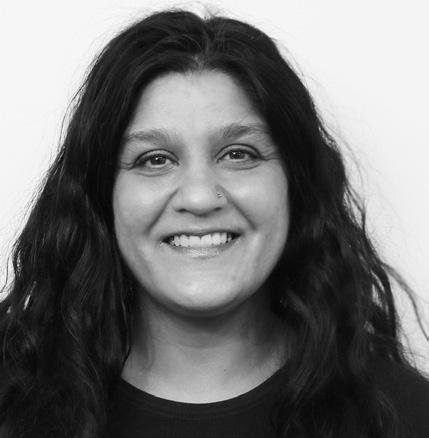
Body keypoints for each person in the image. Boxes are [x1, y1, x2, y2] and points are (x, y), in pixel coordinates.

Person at [0, 8, 428, 438]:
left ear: (294, 185)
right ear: (101, 195)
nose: (200, 197)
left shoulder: (406, 416)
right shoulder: (12, 403)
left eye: (238, 154)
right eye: (155, 159)